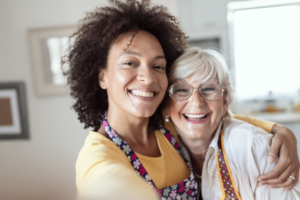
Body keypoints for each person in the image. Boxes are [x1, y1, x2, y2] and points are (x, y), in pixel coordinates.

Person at [63, 0, 299, 199]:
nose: (147, 78)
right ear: (102, 76)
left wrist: (279, 131)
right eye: (130, 62)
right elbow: (107, 185)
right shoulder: (97, 156)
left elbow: (218, 118)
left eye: (158, 66)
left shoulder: (169, 128)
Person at [165, 47, 300, 199]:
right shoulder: (159, 145)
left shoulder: (251, 147)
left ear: (224, 101)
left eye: (208, 88)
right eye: (181, 90)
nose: (196, 102)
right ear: (165, 105)